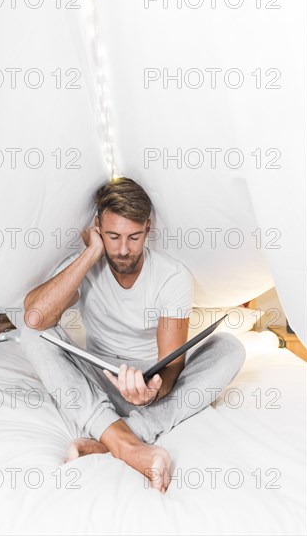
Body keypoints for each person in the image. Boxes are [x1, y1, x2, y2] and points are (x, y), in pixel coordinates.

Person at [21, 177, 246, 493]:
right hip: (99, 380)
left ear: (148, 229)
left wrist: (153, 391)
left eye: (134, 237)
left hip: (150, 387)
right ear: (98, 227)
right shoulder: (86, 265)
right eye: (113, 236)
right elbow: (34, 316)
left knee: (230, 347)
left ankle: (114, 437)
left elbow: (172, 364)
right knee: (32, 334)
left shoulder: (172, 277)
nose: (124, 249)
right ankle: (128, 445)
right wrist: (91, 254)